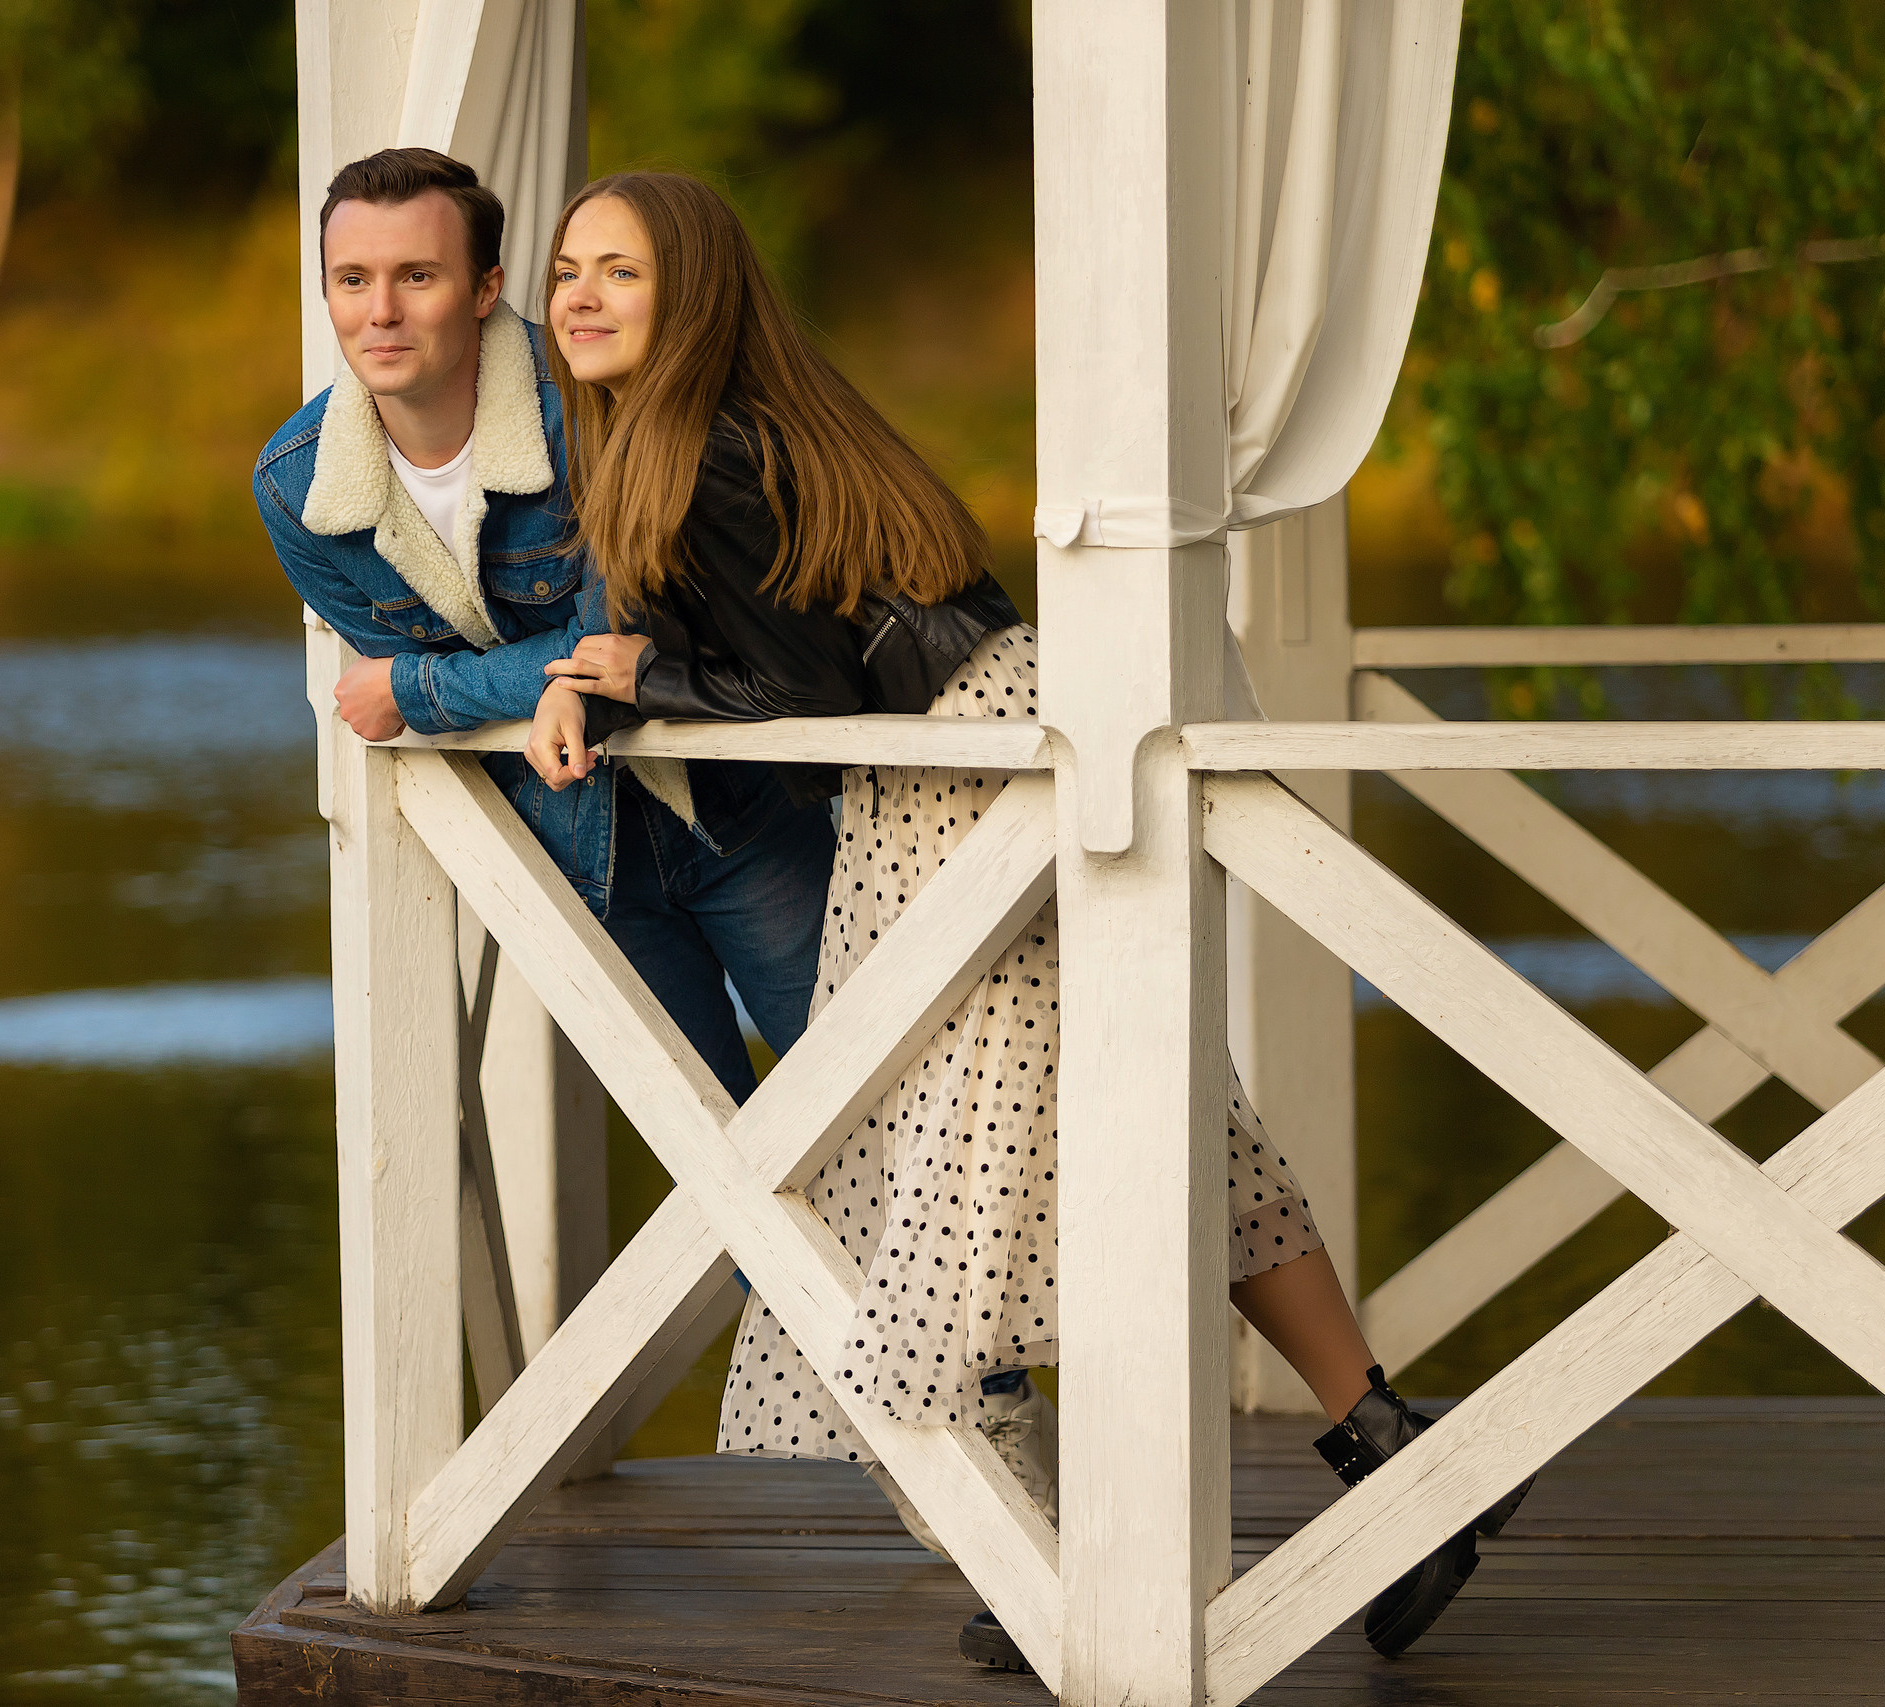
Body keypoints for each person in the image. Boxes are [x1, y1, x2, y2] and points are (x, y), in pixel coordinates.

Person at [524, 170, 1532, 1673]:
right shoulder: (753, 429)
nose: (580, 296)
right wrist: (619, 662)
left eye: (620, 270)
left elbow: (807, 692)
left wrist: (628, 679)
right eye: (563, 271)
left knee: (970, 1154)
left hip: (963, 783)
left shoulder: (719, 451)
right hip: (985, 745)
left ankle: (1079, 1546)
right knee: (1155, 1122)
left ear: (699, 294)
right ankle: (1380, 1458)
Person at [252, 147, 833, 1101]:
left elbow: (608, 647)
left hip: (739, 813)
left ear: (485, 289)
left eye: (417, 277)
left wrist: (420, 686)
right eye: (352, 280)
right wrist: (453, 685)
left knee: (880, 1117)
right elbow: (518, 668)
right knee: (716, 1168)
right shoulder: (296, 486)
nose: (381, 312)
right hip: (576, 847)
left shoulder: (594, 407)